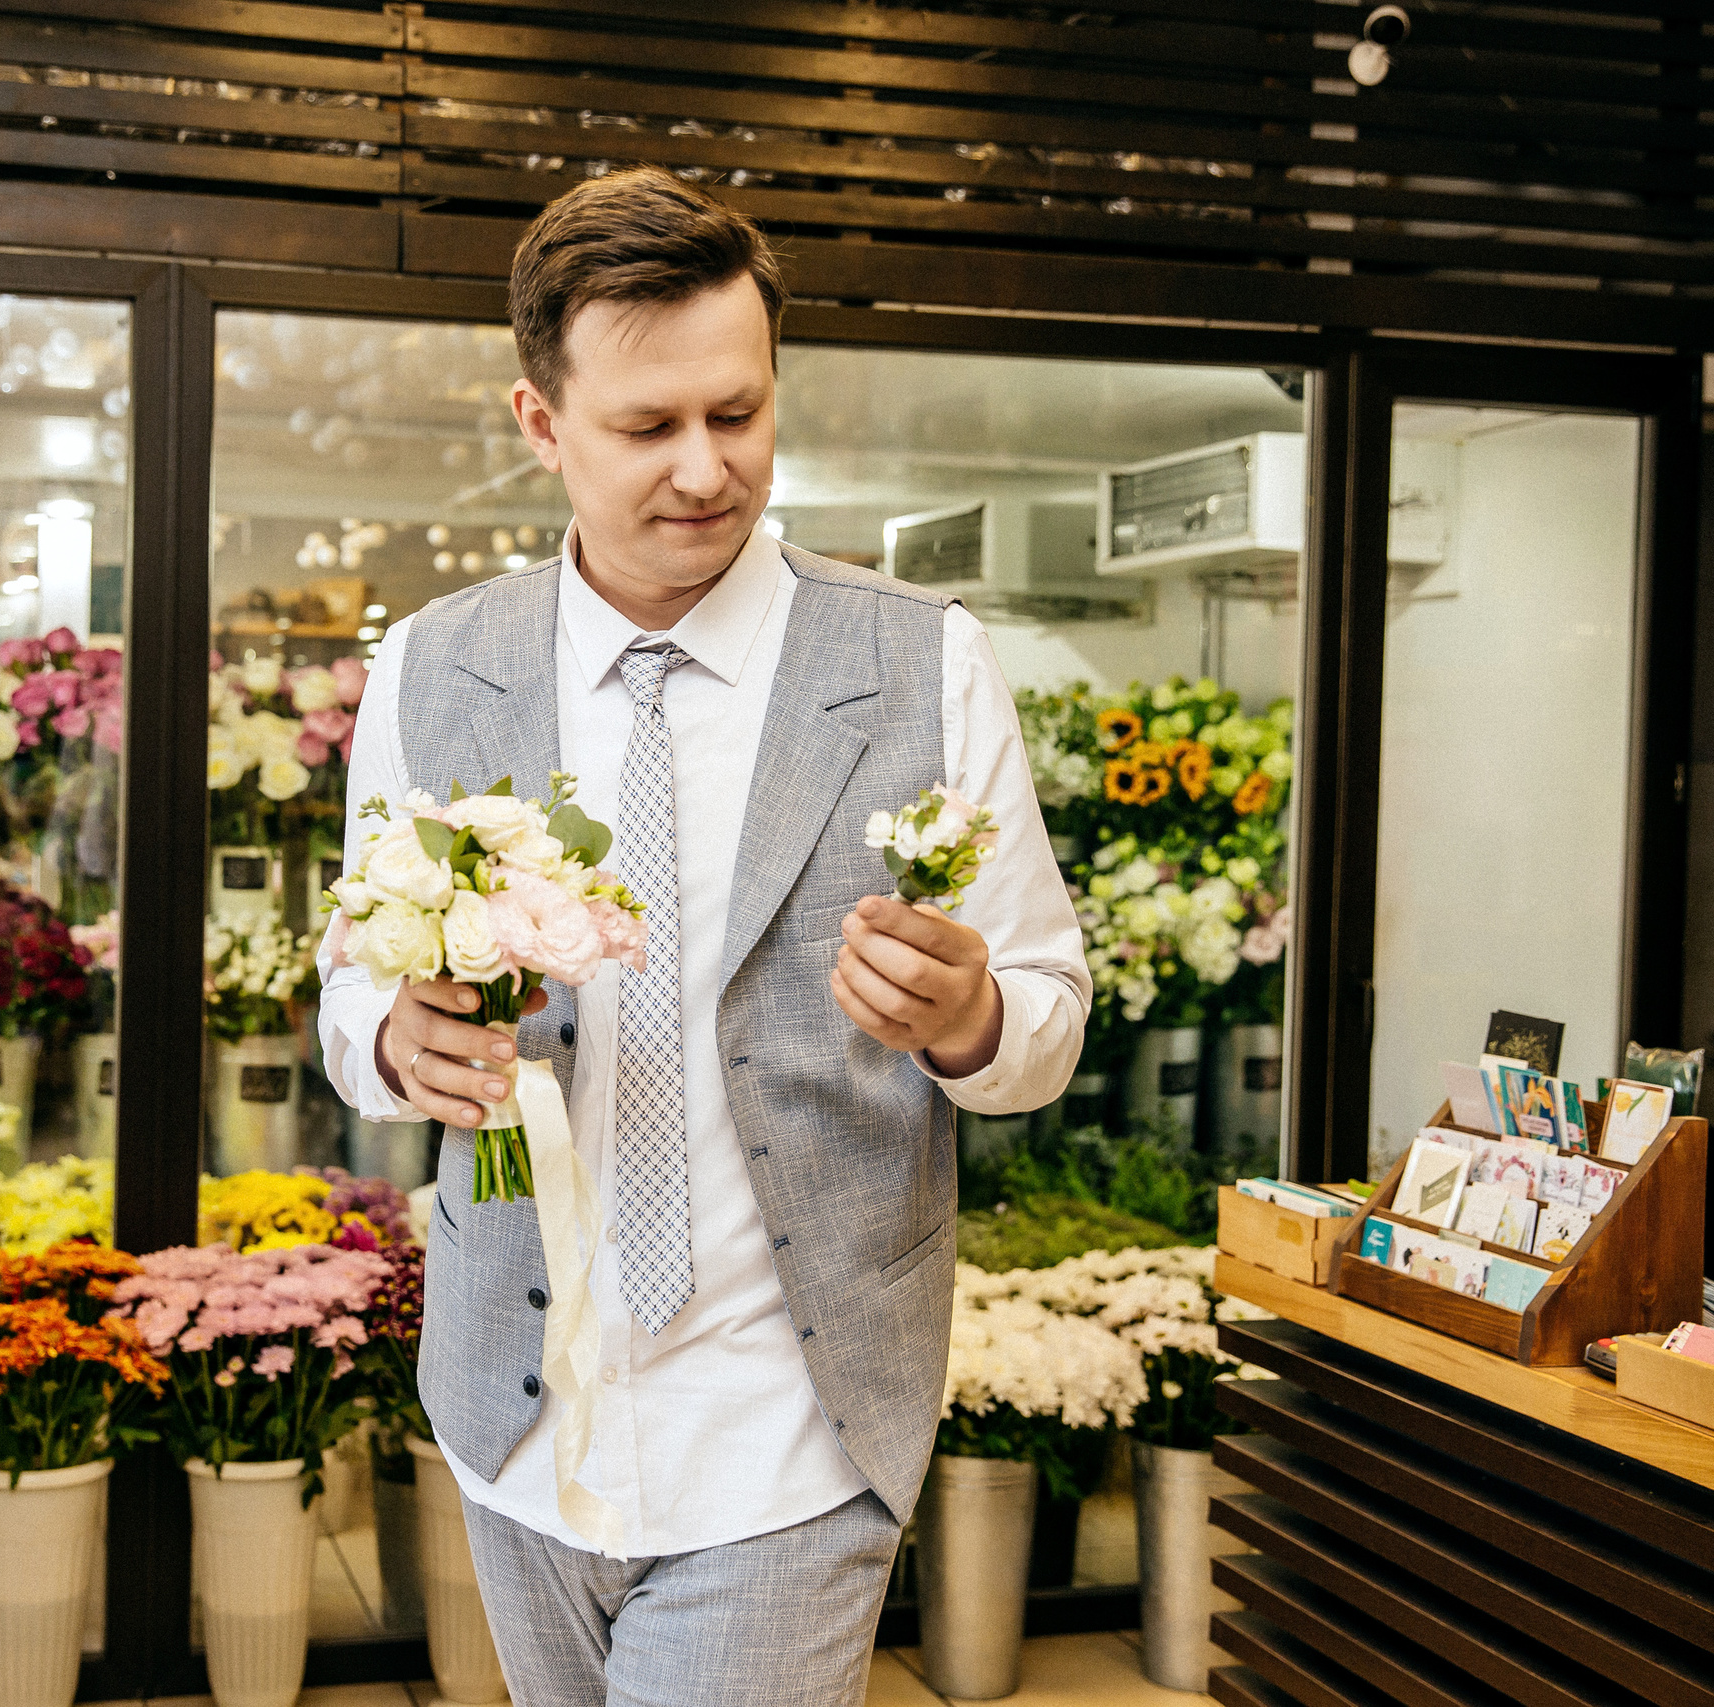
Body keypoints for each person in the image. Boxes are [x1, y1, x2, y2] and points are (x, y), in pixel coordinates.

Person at [317, 167, 1088, 1707]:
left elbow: (1046, 1013)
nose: (705, 468)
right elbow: (353, 985)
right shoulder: (433, 668)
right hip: (521, 1416)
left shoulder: (923, 662)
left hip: (791, 1432)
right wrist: (392, 1044)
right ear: (541, 423)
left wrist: (972, 1020)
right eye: (647, 425)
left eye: (738, 413)